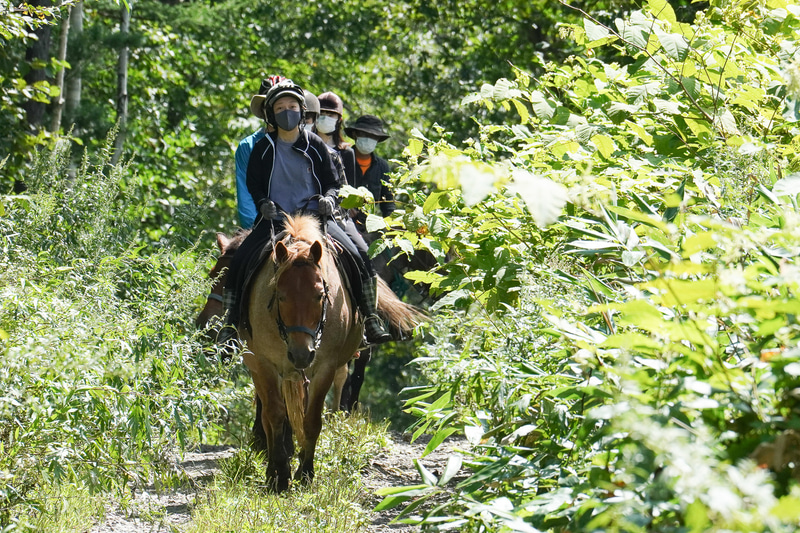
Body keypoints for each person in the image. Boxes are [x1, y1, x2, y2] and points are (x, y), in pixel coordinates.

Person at [222, 79, 392, 345]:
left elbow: (333, 182)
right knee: (240, 258)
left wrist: (329, 198)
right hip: (276, 220)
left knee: (359, 253)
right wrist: (262, 202)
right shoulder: (262, 149)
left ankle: (370, 316)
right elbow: (254, 183)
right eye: (280, 107)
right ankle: (231, 323)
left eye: (292, 106)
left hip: (316, 216)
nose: (287, 112)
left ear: (301, 111)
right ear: (271, 114)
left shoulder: (316, 145)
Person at [235, 75, 284, 229]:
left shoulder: (308, 142)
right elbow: (246, 196)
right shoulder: (248, 146)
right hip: (261, 225)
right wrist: (253, 229)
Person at [345, 114, 396, 231]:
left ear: (378, 140)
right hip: (343, 222)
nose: (368, 139)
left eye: (373, 136)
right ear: (355, 134)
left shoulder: (382, 167)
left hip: (370, 227)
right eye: (364, 134)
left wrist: (392, 227)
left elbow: (388, 203)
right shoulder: (341, 158)